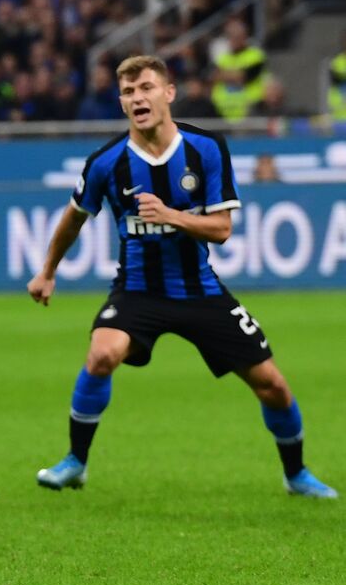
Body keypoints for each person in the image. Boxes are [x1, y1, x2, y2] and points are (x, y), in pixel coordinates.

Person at [26, 55, 337, 499]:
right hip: (137, 290)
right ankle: (75, 462)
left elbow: (223, 229)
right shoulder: (106, 163)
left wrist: (172, 216)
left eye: (147, 88)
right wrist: (47, 272)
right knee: (101, 354)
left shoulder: (205, 148)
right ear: (122, 102)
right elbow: (74, 218)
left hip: (200, 291)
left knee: (272, 383)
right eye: (129, 92)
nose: (139, 98)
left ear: (168, 93)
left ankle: (296, 474)